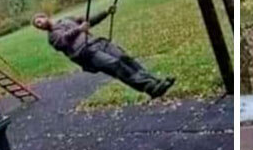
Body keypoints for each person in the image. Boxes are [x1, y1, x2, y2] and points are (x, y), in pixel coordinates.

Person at [32, 5, 175, 98]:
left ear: (45, 16)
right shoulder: (52, 38)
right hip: (86, 53)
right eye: (38, 25)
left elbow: (88, 21)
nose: (40, 24)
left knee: (125, 58)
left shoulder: (66, 20)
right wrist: (79, 29)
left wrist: (105, 13)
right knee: (115, 65)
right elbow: (64, 40)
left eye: (40, 20)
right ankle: (149, 88)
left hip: (98, 42)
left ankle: (155, 81)